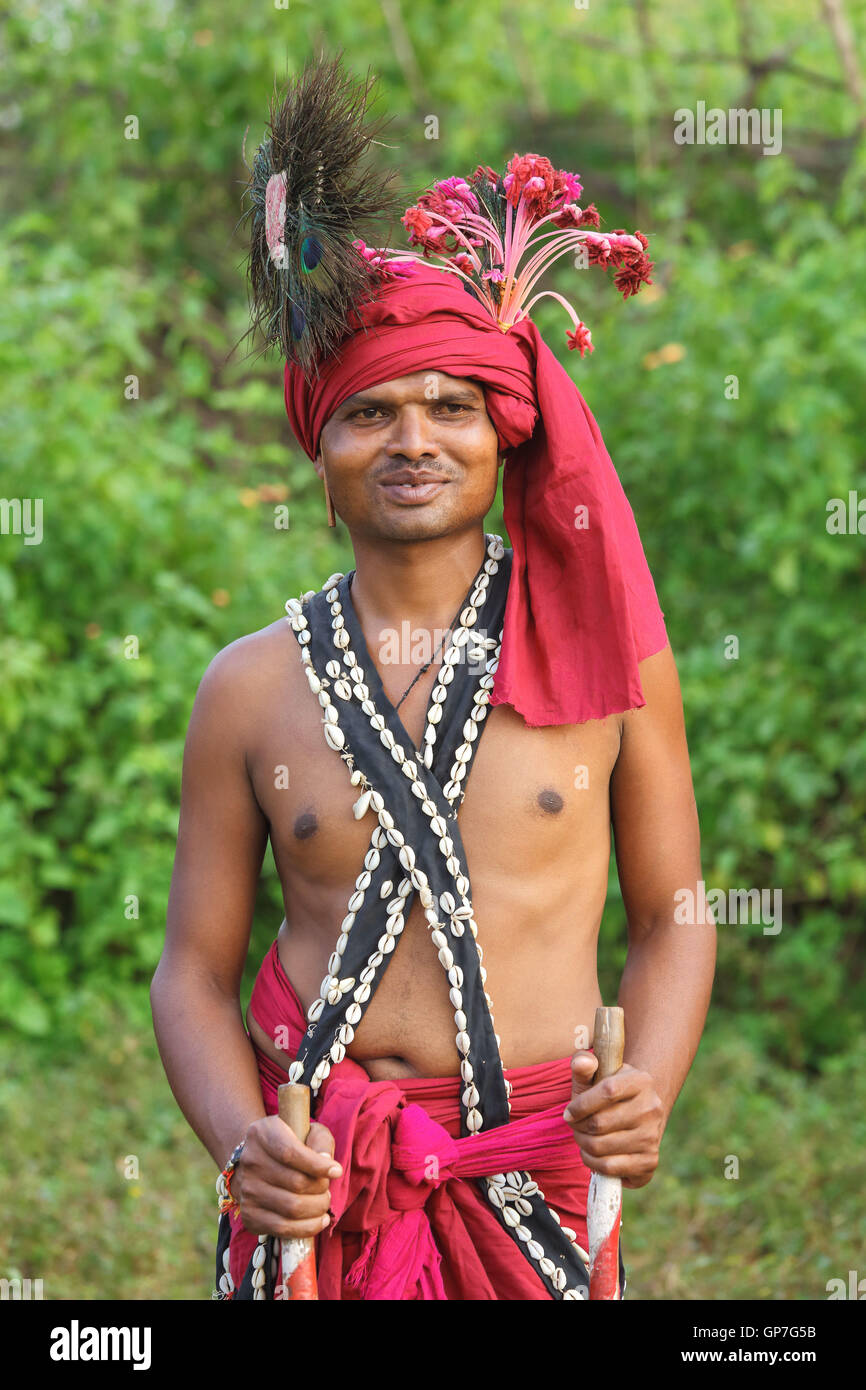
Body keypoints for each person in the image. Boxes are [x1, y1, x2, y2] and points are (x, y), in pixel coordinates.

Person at [150, 56, 716, 1301]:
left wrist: (647, 1093)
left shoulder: (607, 661)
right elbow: (192, 963)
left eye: (452, 407)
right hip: (319, 1175)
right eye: (371, 413)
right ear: (320, 444)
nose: (415, 439)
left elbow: (676, 914)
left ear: (503, 427)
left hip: (534, 1171)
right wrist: (243, 1141)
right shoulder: (247, 689)